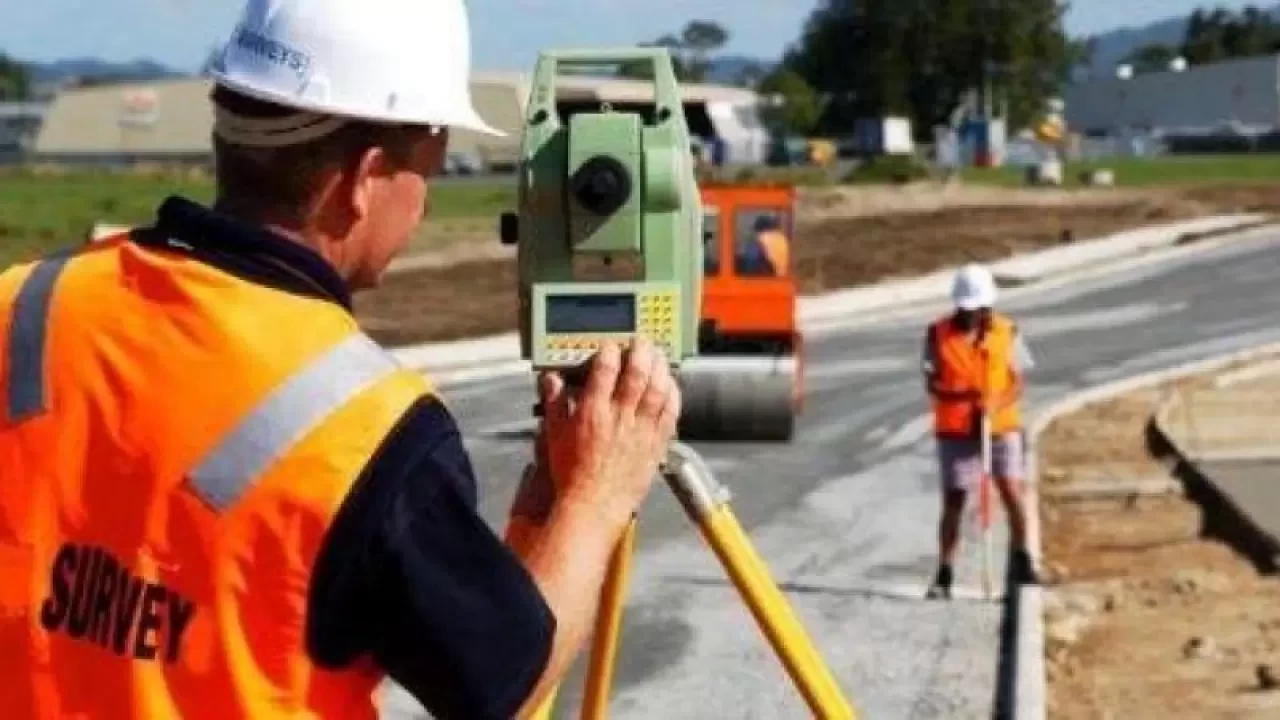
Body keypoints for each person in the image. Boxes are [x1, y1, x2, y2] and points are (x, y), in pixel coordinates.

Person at [0, 0, 680, 718]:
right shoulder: (368, 429)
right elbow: (502, 684)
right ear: (365, 179)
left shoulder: (26, 303)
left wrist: (547, 499)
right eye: (427, 174)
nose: (421, 207)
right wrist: (599, 492)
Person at [920, 263, 1040, 600]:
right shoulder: (937, 334)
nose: (972, 314)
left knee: (1011, 491)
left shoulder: (1007, 332)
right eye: (966, 308)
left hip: (1000, 427)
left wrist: (994, 404)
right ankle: (944, 573)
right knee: (955, 499)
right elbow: (932, 382)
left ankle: (1023, 562)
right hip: (956, 429)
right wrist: (965, 400)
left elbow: (1017, 382)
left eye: (978, 308)